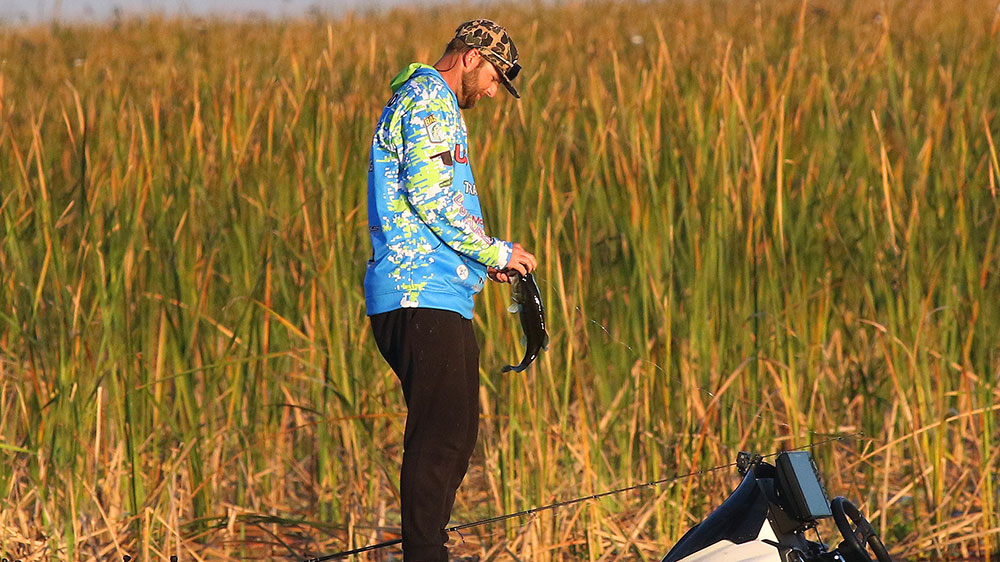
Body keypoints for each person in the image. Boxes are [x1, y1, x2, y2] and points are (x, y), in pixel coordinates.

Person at [363, 19, 537, 562]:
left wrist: (481, 259)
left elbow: (431, 204)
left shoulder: (428, 103)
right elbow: (434, 199)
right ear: (470, 56)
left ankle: (428, 548)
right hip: (419, 294)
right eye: (494, 78)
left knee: (457, 435)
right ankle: (425, 553)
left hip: (440, 292)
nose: (493, 92)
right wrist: (497, 252)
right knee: (440, 437)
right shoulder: (428, 100)